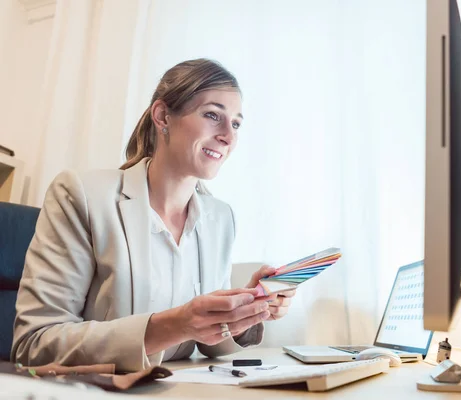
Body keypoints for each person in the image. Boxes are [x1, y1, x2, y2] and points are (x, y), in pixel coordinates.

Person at [11, 59, 296, 372]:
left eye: (237, 123)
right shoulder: (81, 195)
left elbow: (206, 342)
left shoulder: (220, 217)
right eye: (213, 115)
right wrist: (172, 326)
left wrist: (243, 312)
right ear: (163, 117)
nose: (229, 136)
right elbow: (34, 344)